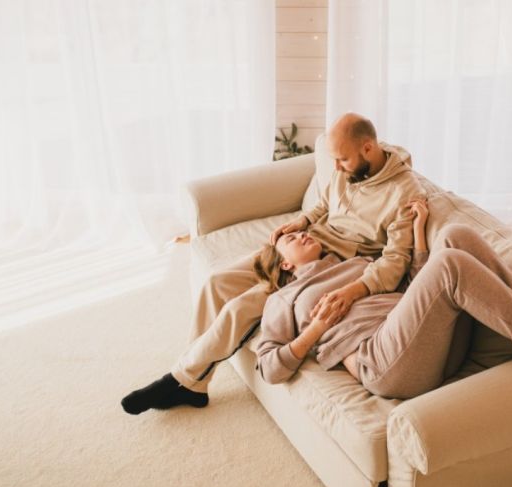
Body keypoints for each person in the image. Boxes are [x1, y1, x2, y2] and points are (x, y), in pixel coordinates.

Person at [120, 113, 424, 415]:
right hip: (307, 242)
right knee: (216, 282)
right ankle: (193, 381)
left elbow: (395, 262)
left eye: (342, 160)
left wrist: (354, 290)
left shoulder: (404, 193)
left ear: (368, 148)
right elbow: (323, 205)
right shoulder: (347, 167)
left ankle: (180, 379)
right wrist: (301, 222)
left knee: (241, 310)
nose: (336, 168)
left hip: (329, 266)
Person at [254, 199, 512, 400]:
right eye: (291, 239)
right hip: (386, 363)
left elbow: (420, 289)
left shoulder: (358, 264)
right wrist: (316, 329)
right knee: (451, 263)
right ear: (283, 263)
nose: (301, 235)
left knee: (456, 235)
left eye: (302, 232)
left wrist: (418, 230)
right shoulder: (285, 300)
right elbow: (270, 368)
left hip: (428, 341)